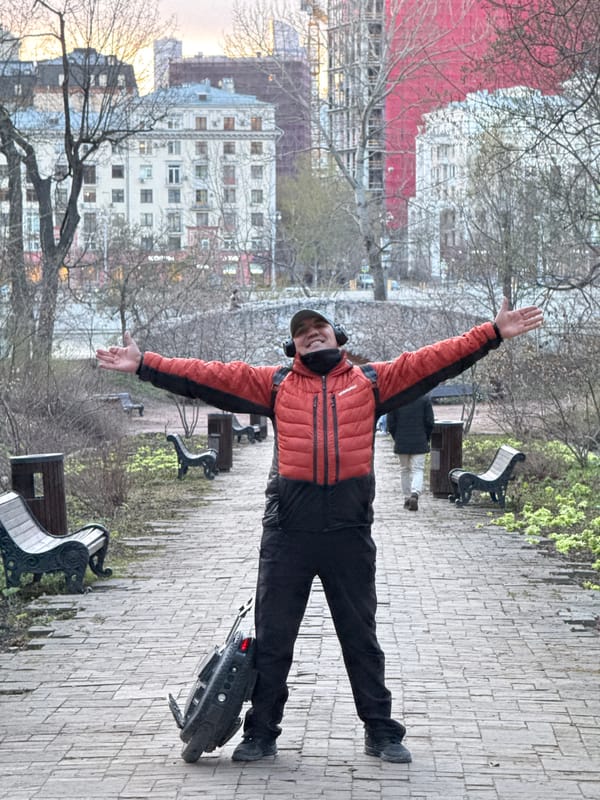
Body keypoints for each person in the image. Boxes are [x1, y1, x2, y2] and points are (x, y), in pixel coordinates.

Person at [96, 297, 543, 765]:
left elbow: (435, 359)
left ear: (337, 336)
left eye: (320, 327)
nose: (311, 332)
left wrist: (491, 333)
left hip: (348, 531)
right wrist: (144, 364)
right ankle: (261, 733)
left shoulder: (372, 382)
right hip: (288, 532)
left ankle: (381, 731)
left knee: (360, 636)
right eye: (302, 330)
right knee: (273, 641)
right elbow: (207, 375)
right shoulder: (275, 384)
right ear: (292, 344)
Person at [386, 394, 435, 512]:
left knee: (404, 470)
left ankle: (407, 497)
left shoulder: (395, 399)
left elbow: (390, 423)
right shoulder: (424, 398)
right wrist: (426, 437)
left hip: (402, 441)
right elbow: (430, 422)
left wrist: (396, 437)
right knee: (418, 469)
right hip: (419, 440)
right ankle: (415, 494)